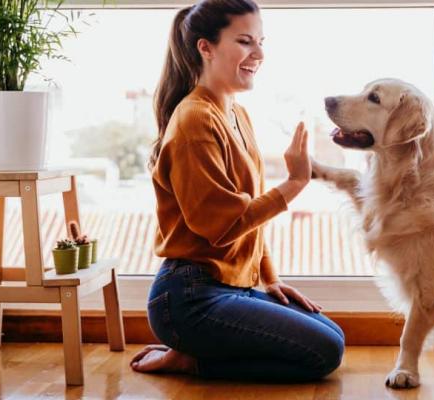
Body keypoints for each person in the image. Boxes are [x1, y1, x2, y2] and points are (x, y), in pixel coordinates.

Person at [130, 0, 345, 381]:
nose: (259, 54)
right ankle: (190, 360)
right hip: (189, 298)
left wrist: (270, 278)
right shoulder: (194, 120)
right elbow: (223, 225)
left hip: (231, 286)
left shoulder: (235, 113)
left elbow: (248, 218)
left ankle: (196, 353)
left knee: (332, 335)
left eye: (261, 42)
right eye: (245, 41)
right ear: (206, 47)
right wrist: (295, 183)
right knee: (324, 352)